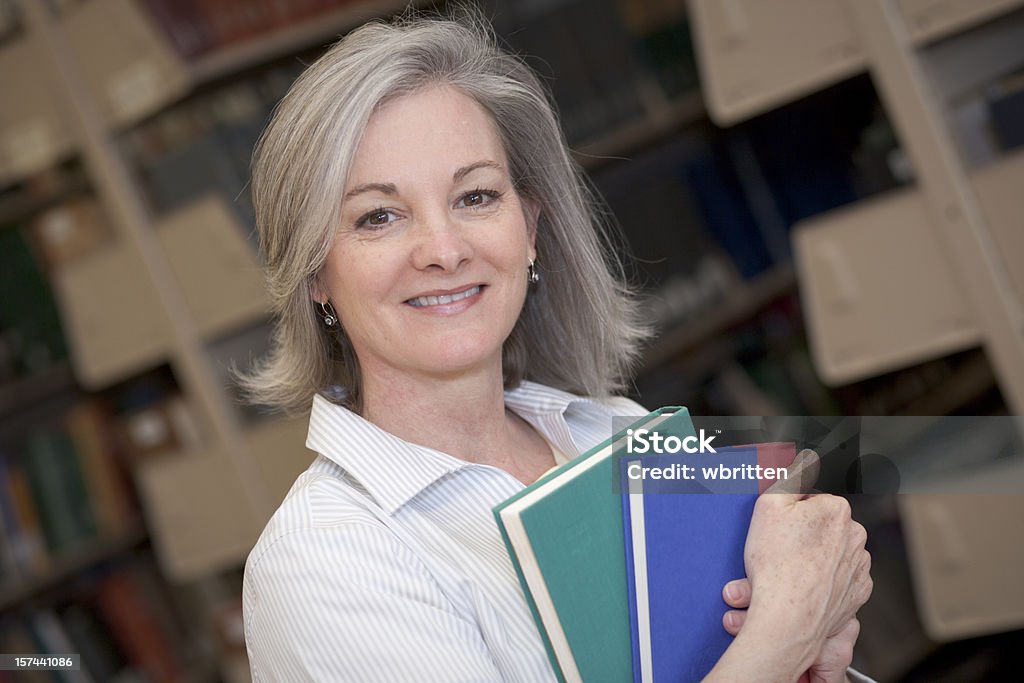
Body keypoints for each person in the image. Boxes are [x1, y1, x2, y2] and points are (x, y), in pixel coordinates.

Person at [240, 10, 873, 682]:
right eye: (379, 215)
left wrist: (817, 644)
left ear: (530, 226)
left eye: (476, 195)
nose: (445, 250)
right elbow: (767, 644)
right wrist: (784, 633)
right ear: (314, 273)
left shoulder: (622, 432)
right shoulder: (322, 560)